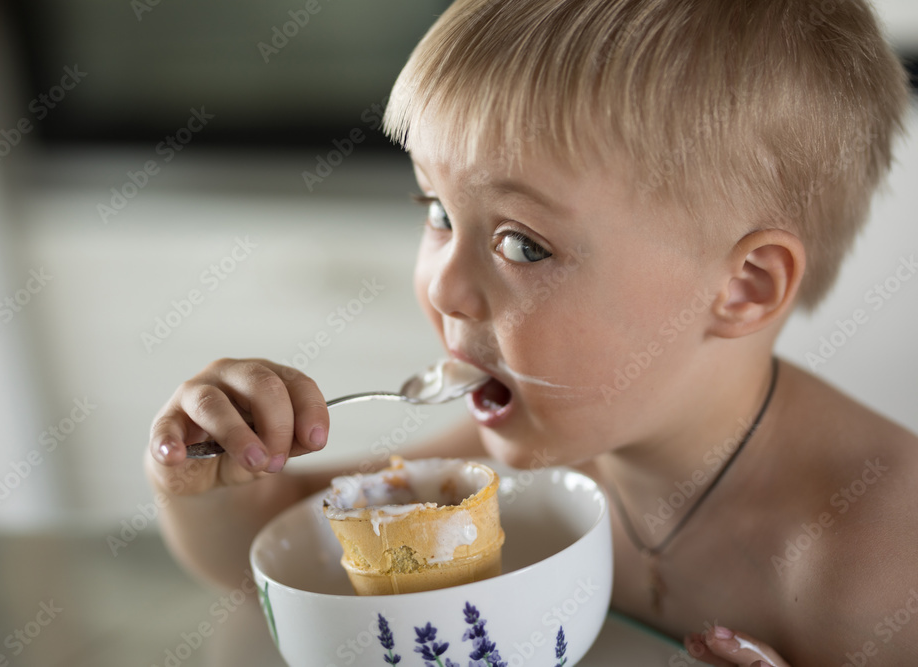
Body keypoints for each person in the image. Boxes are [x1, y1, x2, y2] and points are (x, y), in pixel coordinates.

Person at [145, 1, 917, 664]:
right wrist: (221, 465)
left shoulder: (875, 563)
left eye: (522, 243)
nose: (443, 285)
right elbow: (265, 555)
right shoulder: (510, 467)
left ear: (743, 286)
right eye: (438, 213)